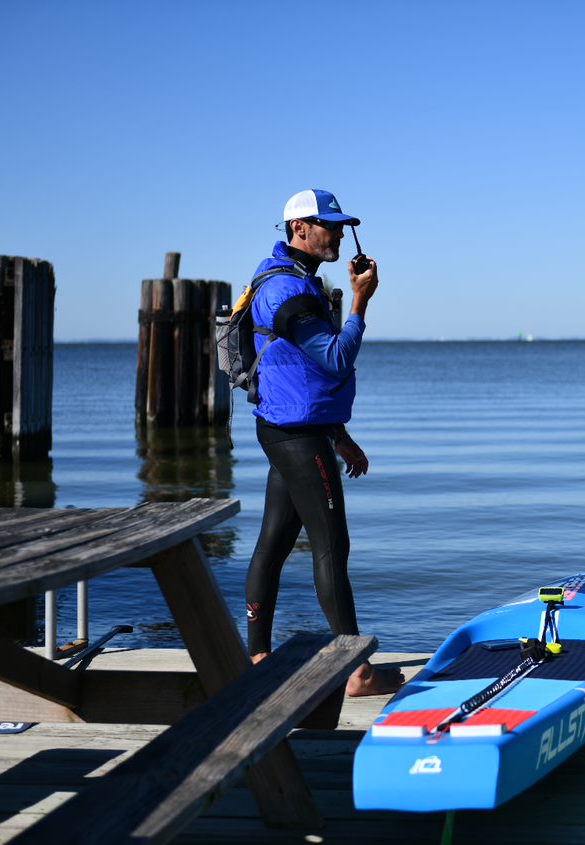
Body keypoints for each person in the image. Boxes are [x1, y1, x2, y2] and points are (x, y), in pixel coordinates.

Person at [243, 187, 403, 696]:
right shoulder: (286, 292)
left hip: (294, 428)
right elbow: (334, 359)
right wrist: (360, 302)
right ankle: (357, 672)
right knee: (332, 546)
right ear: (299, 230)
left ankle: (258, 657)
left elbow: (301, 377)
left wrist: (341, 436)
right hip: (296, 437)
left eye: (339, 225)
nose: (337, 233)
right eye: (328, 225)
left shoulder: (294, 281)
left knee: (276, 541)